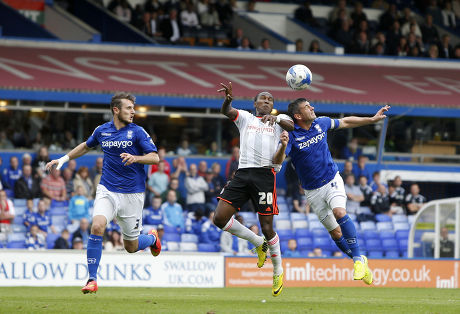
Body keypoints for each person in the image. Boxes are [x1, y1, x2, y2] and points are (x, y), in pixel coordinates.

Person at [45, 92, 161, 294]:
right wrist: (62, 160)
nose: (133, 112)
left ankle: (151, 239)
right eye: (128, 108)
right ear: (116, 110)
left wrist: (136, 158)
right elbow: (86, 146)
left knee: (131, 247)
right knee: (97, 225)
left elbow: (155, 157)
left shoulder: (138, 132)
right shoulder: (102, 130)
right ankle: (92, 279)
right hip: (107, 189)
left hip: (133, 194)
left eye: (133, 108)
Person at [273, 98, 390, 285]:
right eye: (307, 107)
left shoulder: (321, 122)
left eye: (310, 105)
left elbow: (346, 121)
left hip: (332, 180)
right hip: (312, 191)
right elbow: (277, 163)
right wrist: (283, 146)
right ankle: (359, 260)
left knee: (339, 212)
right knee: (336, 234)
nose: (312, 108)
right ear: (298, 115)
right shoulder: (291, 135)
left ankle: (358, 260)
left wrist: (372, 119)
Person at [213, 82, 294, 297]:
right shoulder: (246, 118)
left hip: (265, 176)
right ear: (255, 103)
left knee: (268, 228)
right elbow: (226, 111)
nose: (267, 101)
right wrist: (228, 100)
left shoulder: (280, 122)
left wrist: (276, 119)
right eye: (263, 98)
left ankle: (278, 270)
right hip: (243, 173)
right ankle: (258, 243)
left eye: (270, 100)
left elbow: (292, 126)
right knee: (219, 218)